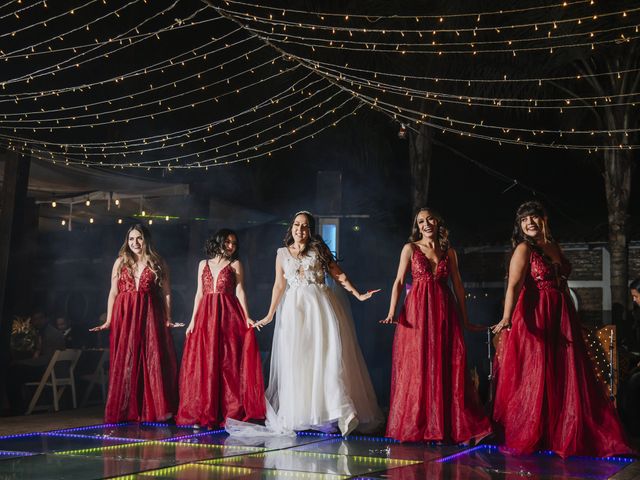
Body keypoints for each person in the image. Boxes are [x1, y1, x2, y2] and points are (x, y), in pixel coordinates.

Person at [492, 201, 631, 457]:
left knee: (565, 371)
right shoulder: (524, 249)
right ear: (520, 226)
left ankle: (562, 432)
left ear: (544, 219)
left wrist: (573, 319)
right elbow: (513, 285)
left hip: (562, 313)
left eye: (533, 217)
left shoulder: (554, 246)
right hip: (536, 313)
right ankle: (538, 434)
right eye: (524, 220)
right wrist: (506, 317)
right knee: (539, 372)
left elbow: (562, 284)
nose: (529, 223)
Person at [248, 211, 383, 436]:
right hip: (294, 310)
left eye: (305, 226)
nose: (300, 229)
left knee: (326, 357)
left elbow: (339, 275)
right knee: (298, 360)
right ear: (291, 227)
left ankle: (336, 411)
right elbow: (279, 286)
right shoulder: (282, 253)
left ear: (310, 230)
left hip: (320, 308)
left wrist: (358, 295)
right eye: (296, 225)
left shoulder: (318, 250)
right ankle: (302, 413)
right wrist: (270, 314)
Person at [381, 207, 491, 443]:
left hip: (444, 310)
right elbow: (399, 281)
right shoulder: (410, 248)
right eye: (420, 221)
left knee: (446, 364)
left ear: (437, 222)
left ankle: (450, 426)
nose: (425, 224)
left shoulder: (449, 252)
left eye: (429, 219)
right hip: (417, 311)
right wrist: (392, 311)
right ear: (417, 227)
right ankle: (419, 425)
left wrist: (466, 319)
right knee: (419, 364)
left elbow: (458, 286)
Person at [91, 224, 181, 423]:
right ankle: (127, 409)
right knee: (127, 359)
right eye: (131, 239)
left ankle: (152, 408)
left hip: (150, 313)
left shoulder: (158, 262)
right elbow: (113, 292)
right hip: (126, 314)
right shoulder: (121, 262)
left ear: (146, 239)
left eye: (139, 238)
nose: (135, 243)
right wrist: (109, 319)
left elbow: (166, 292)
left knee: (151, 357)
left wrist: (168, 317)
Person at [176, 229, 265, 427]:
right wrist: (192, 321)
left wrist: (247, 316)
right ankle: (202, 411)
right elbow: (199, 294)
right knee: (205, 363)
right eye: (227, 242)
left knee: (227, 362)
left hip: (228, 316)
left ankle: (228, 411)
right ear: (219, 242)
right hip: (205, 317)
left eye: (234, 243)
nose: (231, 246)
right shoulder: (203, 264)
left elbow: (240, 291)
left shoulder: (235, 264)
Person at [6, 311, 66, 415]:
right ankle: (20, 406)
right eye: (34, 319)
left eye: (39, 318)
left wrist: (23, 362)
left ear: (46, 319)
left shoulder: (51, 334)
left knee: (14, 372)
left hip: (52, 372)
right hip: (49, 369)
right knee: (15, 370)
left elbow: (47, 359)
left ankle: (17, 409)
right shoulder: (41, 332)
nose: (36, 322)